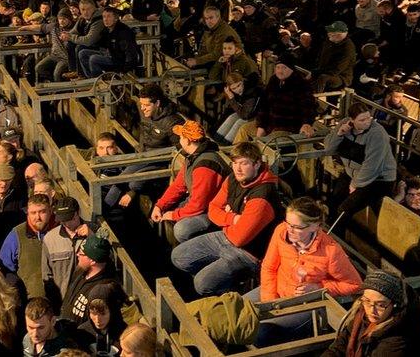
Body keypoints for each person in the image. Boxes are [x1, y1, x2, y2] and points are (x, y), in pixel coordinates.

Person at [171, 142, 282, 296]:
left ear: (257, 164)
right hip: (226, 235)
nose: (238, 168)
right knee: (179, 256)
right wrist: (233, 218)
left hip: (249, 253)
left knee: (202, 283)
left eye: (244, 163)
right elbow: (213, 208)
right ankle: (221, 279)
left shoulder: (262, 196)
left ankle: (231, 293)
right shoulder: (233, 178)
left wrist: (225, 219)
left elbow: (239, 239)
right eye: (235, 163)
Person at [249, 198, 362, 346]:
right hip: (275, 290)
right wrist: (270, 300)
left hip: (305, 305)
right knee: (232, 311)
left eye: (297, 227)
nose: (290, 230)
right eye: (288, 223)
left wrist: (319, 287)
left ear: (315, 227)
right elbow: (269, 267)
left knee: (260, 333)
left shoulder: (330, 251)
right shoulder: (281, 231)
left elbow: (355, 284)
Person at [151, 120, 227, 243]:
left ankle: (198, 253)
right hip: (201, 204)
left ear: (187, 140)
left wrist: (174, 215)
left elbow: (198, 205)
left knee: (182, 229)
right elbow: (178, 186)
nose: (179, 140)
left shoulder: (205, 166)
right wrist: (160, 206)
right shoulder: (192, 157)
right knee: (166, 211)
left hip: (214, 210)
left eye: (181, 137)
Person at [322, 270, 420, 357]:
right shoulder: (361, 313)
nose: (371, 310)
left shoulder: (397, 340)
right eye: (367, 301)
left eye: (380, 305)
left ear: (395, 304)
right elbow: (341, 344)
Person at [323, 103, 397, 222]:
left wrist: (356, 184)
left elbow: (372, 165)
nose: (367, 122)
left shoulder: (377, 133)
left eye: (369, 118)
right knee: (333, 201)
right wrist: (339, 134)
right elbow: (328, 149)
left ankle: (338, 237)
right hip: (352, 173)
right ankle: (330, 232)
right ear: (352, 120)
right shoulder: (344, 124)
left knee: (344, 210)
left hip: (377, 179)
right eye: (362, 120)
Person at [60, 234, 126, 325]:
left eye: (82, 253)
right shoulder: (80, 272)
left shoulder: (104, 288)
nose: (77, 254)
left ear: (93, 261)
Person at [0, 194, 54, 300]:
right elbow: (4, 270)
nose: (37, 217)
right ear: (27, 212)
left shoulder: (60, 232)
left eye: (42, 212)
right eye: (33, 213)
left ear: (50, 211)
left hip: (59, 301)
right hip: (29, 302)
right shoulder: (16, 235)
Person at [41, 197, 88, 306]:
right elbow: (47, 275)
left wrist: (91, 235)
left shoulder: (93, 231)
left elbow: (107, 260)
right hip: (62, 303)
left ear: (77, 213)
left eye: (68, 219)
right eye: (62, 220)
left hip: (88, 302)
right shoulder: (50, 238)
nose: (66, 223)